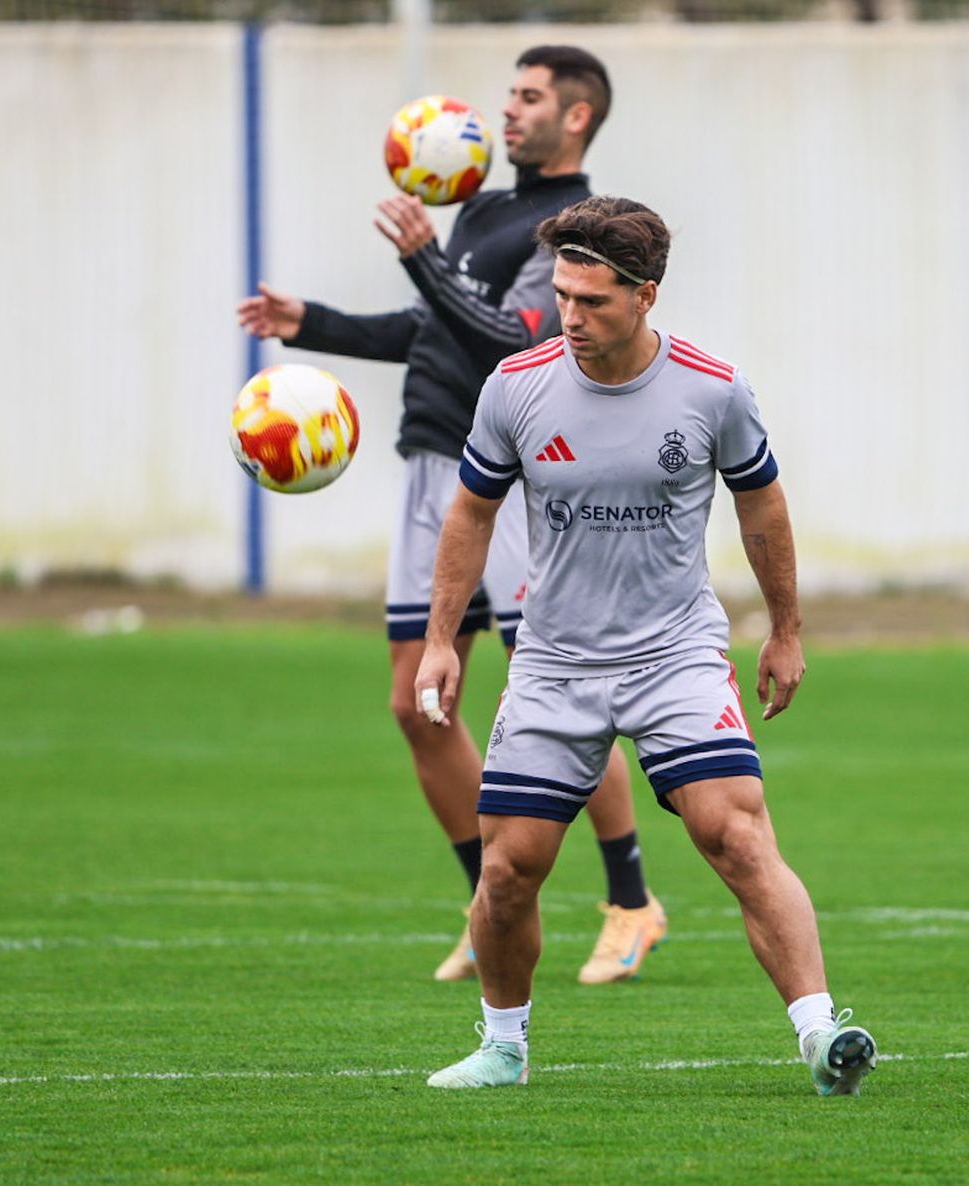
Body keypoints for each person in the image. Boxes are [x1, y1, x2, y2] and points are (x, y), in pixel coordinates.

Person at [414, 196, 877, 1095]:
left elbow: (761, 504)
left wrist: (785, 630)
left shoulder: (712, 389)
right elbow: (471, 510)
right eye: (562, 296)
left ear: (646, 296)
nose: (570, 318)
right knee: (510, 867)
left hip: (675, 654)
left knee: (734, 833)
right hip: (554, 660)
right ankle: (504, 1048)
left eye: (592, 301)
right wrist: (441, 640)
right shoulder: (516, 386)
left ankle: (823, 1036)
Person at [237, 47, 667, 986]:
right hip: (428, 467)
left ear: (578, 117)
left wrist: (424, 258)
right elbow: (433, 330)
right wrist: (309, 322)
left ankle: (632, 902)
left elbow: (511, 337)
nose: (504, 112)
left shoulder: (567, 235)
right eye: (506, 95)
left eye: (527, 98)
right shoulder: (481, 210)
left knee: (561, 697)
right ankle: (487, 910)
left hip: (511, 477)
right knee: (416, 705)